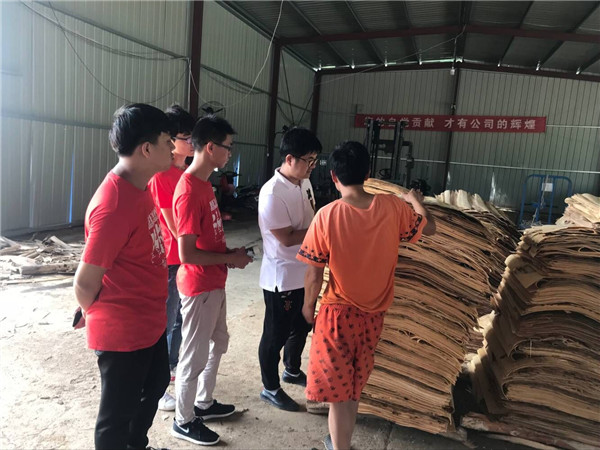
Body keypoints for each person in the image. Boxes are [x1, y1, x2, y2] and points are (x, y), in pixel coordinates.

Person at [296, 141, 436, 450]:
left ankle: (340, 446)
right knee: (354, 387)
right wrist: (415, 202)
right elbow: (430, 228)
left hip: (336, 317)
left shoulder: (327, 215)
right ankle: (342, 442)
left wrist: (307, 307)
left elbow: (313, 273)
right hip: (373, 316)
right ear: (368, 173)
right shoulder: (392, 207)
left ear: (334, 176)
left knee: (338, 394)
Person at [73, 104, 174, 449]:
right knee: (116, 416)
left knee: (155, 384)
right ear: (146, 149)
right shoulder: (113, 203)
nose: (174, 149)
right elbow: (84, 282)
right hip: (123, 330)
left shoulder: (141, 186)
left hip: (149, 320)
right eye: (167, 142)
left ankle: (135, 445)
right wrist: (93, 312)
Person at [171, 115, 253, 445]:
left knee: (218, 342)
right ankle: (183, 419)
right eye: (227, 147)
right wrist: (228, 259)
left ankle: (203, 403)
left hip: (214, 281)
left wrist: (229, 253)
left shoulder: (205, 185)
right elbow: (187, 254)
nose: (230, 153)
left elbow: (206, 241)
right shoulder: (189, 190)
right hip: (199, 286)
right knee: (193, 355)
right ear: (210, 147)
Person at [257, 128, 321, 411]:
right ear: (290, 158)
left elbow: (310, 218)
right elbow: (286, 237)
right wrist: (323, 231)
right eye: (309, 160)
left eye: (315, 160)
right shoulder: (272, 192)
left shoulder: (304, 182)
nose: (312, 166)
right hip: (281, 277)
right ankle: (270, 388)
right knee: (275, 335)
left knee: (302, 325)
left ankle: (292, 370)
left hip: (304, 270)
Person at [148, 104, 196, 411]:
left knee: (178, 317)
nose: (191, 143)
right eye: (184, 137)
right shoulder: (162, 176)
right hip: (169, 257)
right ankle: (157, 383)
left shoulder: (182, 173)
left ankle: (170, 367)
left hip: (182, 256)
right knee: (165, 320)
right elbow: (174, 224)